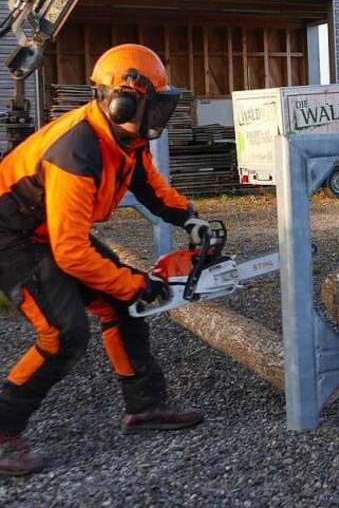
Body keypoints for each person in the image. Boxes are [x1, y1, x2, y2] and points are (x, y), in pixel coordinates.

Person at [0, 44, 211, 477]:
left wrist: (190, 219)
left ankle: (145, 406)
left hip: (50, 233)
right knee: (63, 332)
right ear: (122, 102)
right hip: (13, 238)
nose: (156, 120)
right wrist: (135, 283)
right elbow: (70, 252)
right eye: (150, 108)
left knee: (123, 306)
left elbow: (152, 187)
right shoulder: (77, 152)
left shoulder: (125, 141)